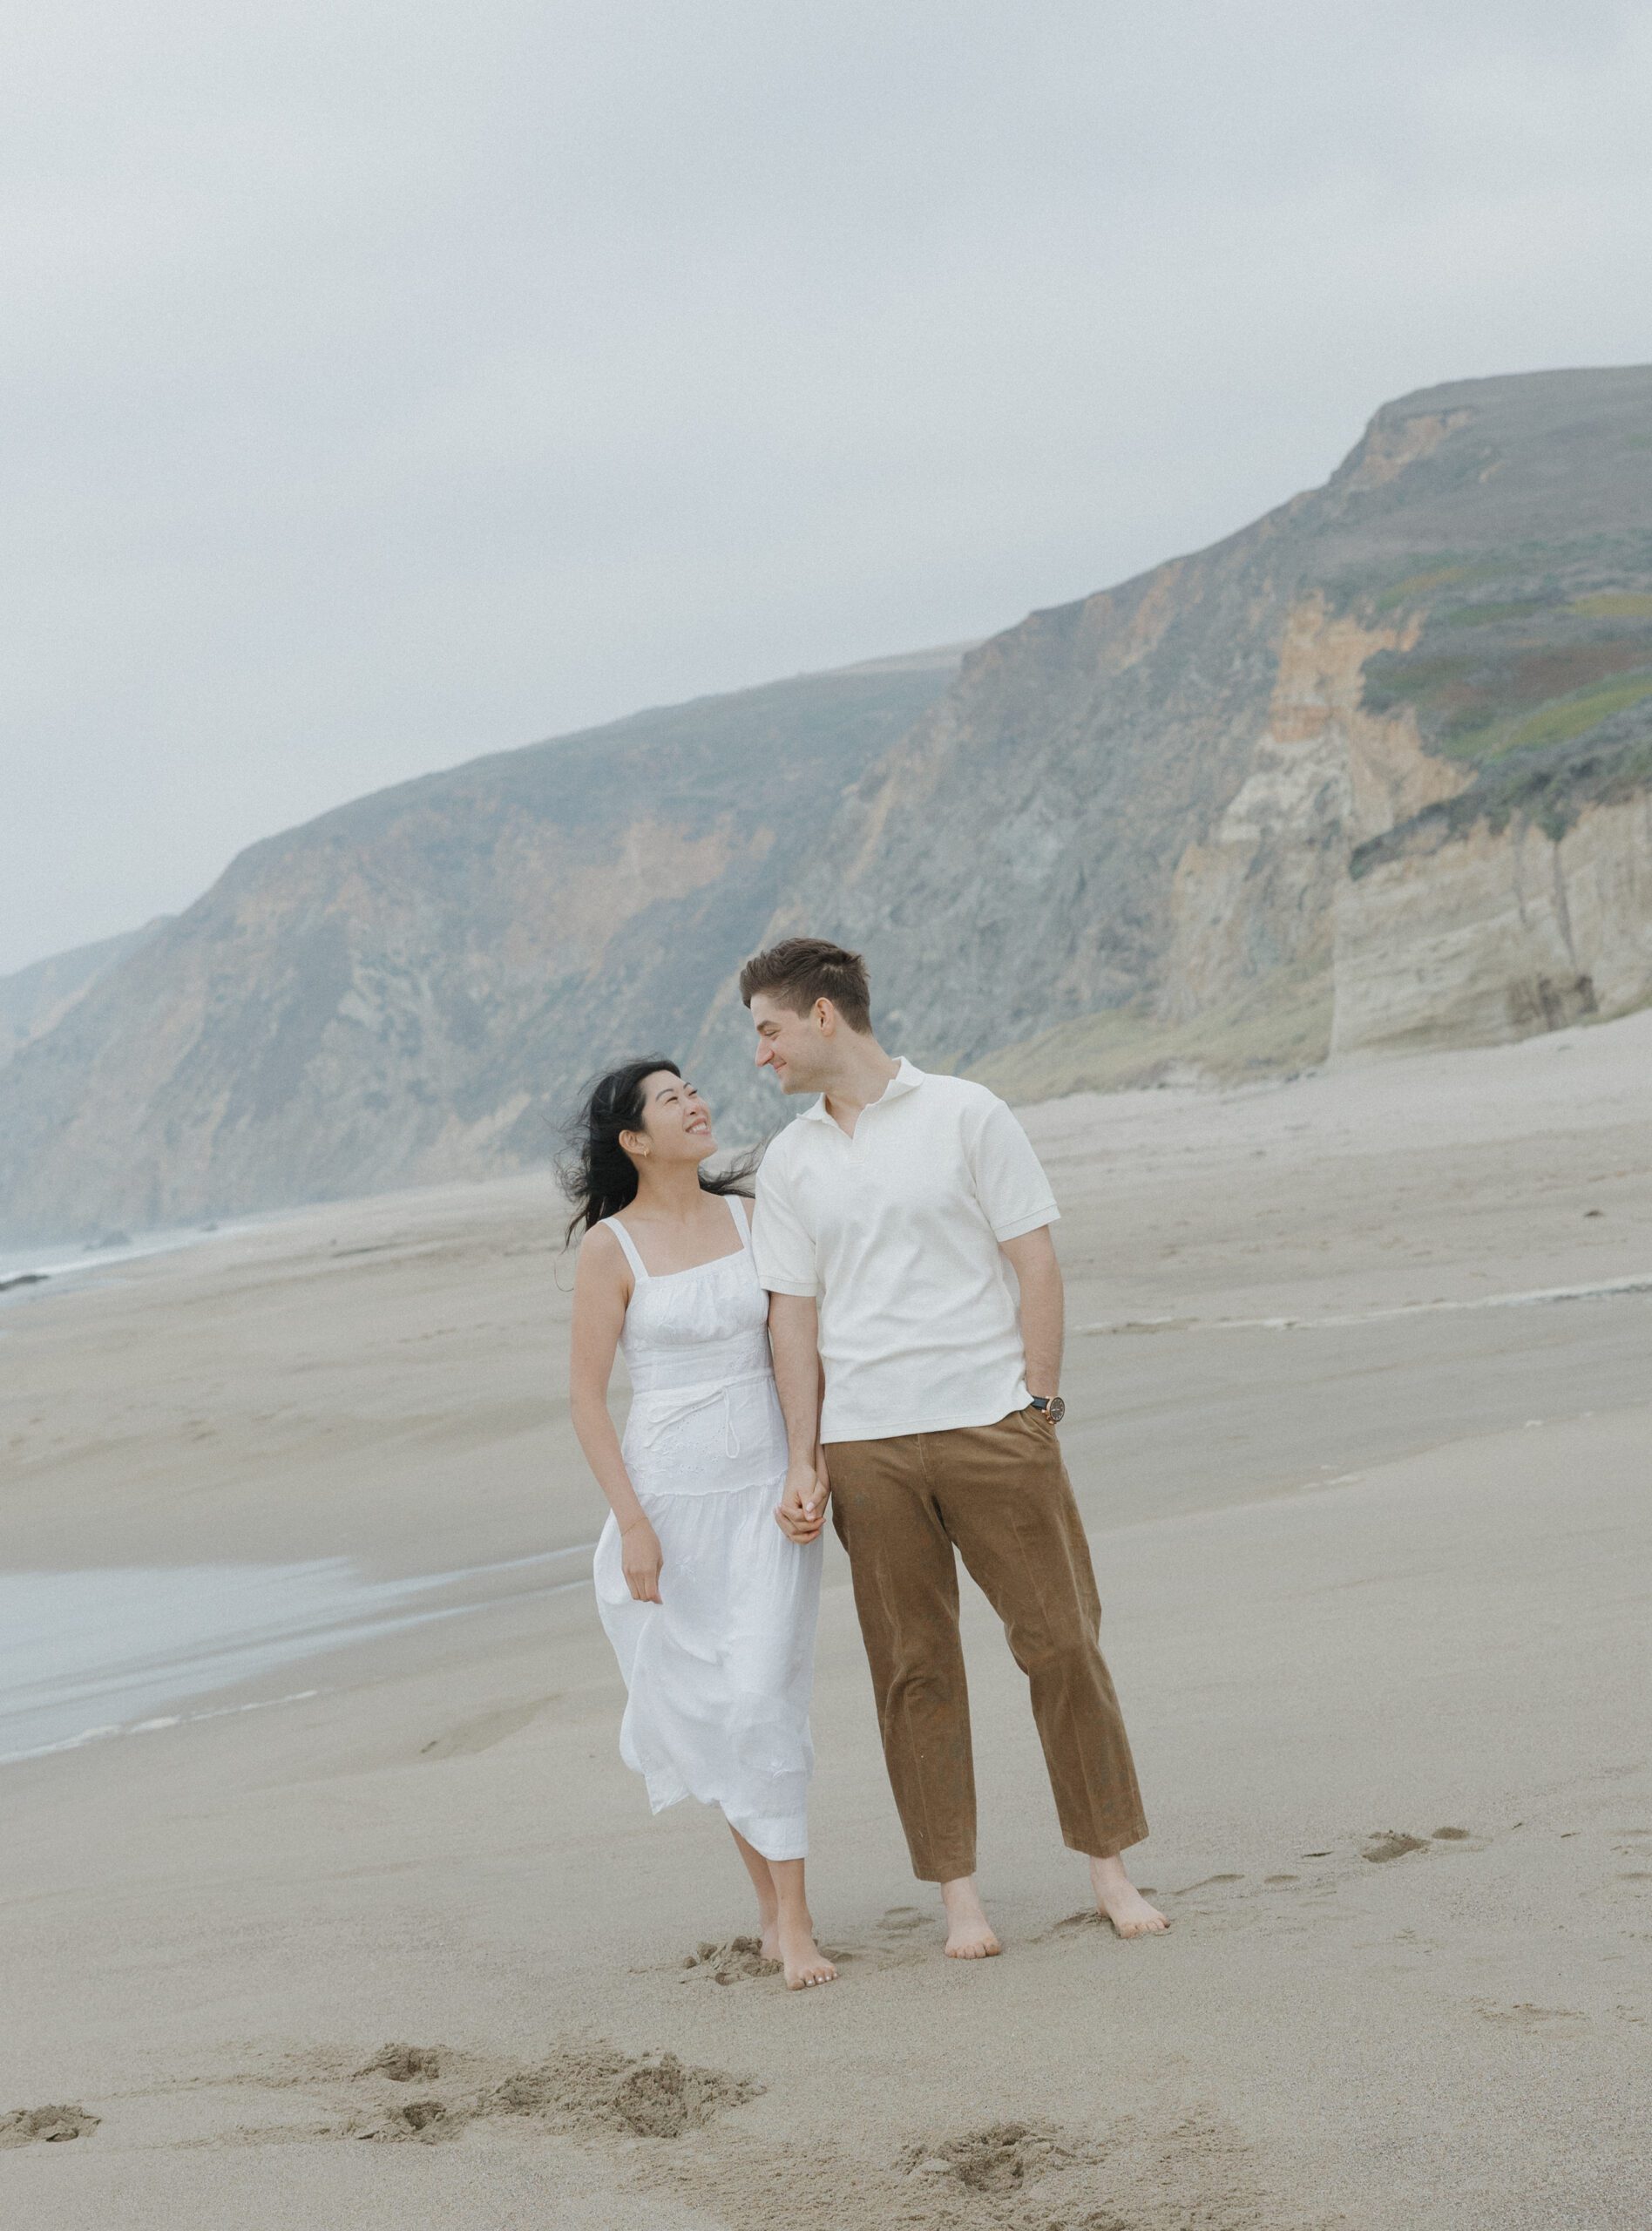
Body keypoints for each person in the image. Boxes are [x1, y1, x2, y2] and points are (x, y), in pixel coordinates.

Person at [742, 939, 1168, 1957]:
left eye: (768, 1029)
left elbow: (1036, 1262)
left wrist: (1040, 1404)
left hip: (993, 1422)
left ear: (824, 1016)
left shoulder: (967, 1112)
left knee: (1062, 1644)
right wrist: (805, 1457)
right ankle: (959, 1898)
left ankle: (1109, 1866)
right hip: (867, 1449)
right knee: (913, 1670)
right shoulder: (791, 1158)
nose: (761, 1055)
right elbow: (791, 1321)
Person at [565, 1055, 836, 1990]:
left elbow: (796, 1346)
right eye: (671, 1099)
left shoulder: (753, 1217)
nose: (696, 1102)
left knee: (762, 1694)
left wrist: (809, 1461)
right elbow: (586, 1400)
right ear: (634, 1140)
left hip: (766, 1497)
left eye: (693, 1089)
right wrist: (632, 1524)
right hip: (669, 1509)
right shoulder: (613, 1248)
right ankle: (772, 1908)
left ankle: (795, 1923)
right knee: (717, 1708)